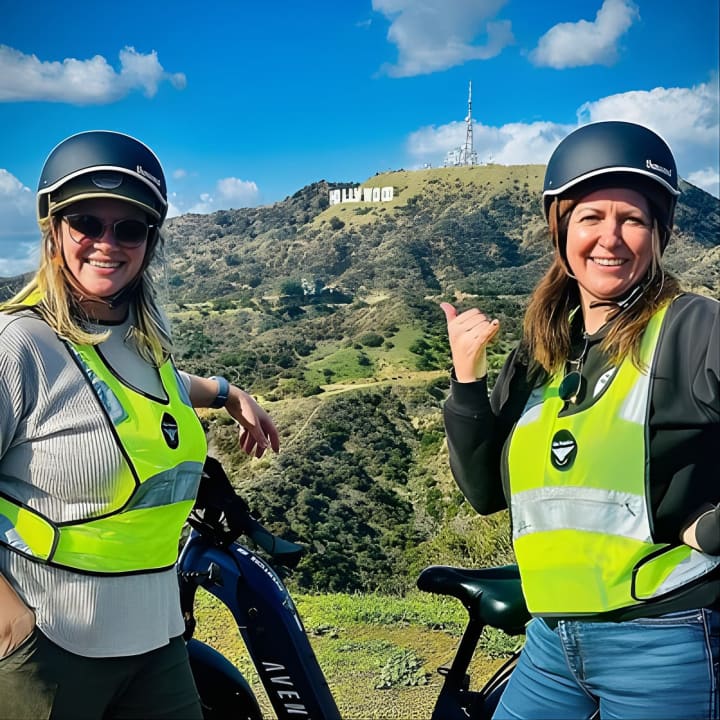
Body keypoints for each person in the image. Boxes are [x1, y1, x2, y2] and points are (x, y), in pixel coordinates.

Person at [441, 120, 719, 719]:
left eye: (633, 219)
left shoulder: (693, 329)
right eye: (591, 218)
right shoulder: (542, 348)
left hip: (665, 643)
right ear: (562, 230)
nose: (610, 239)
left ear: (660, 235)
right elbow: (488, 492)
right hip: (549, 644)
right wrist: (467, 382)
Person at [0, 130, 280, 719]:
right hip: (48, 647)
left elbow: (157, 392)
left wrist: (229, 394)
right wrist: (7, 619)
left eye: (129, 227)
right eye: (86, 223)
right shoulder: (16, 345)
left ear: (149, 242)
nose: (108, 242)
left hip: (156, 643)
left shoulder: (142, 344)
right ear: (54, 232)